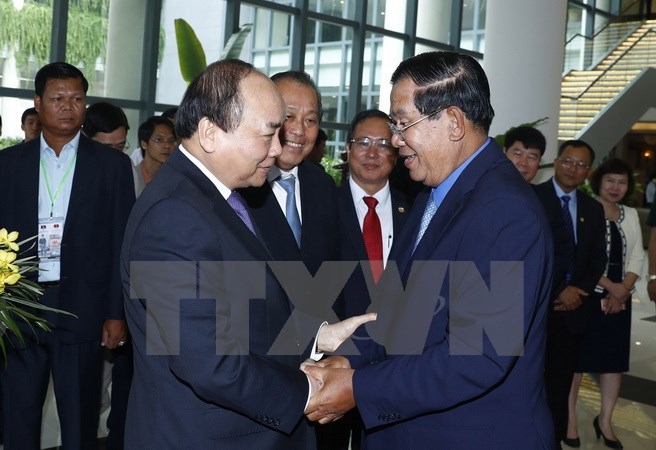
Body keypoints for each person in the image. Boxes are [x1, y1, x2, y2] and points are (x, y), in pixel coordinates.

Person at [302, 51, 555, 449]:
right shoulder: (434, 196)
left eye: (403, 124)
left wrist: (359, 388)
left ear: (453, 122)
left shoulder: (505, 212)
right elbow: (403, 312)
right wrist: (351, 358)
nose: (395, 140)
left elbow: (476, 357)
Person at [120, 59, 371, 449]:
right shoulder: (174, 215)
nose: (278, 148)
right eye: (268, 133)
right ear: (210, 133)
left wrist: (318, 337)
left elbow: (240, 313)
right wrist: (310, 394)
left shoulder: (217, 198)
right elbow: (207, 361)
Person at [0, 62, 135, 450]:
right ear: (38, 102)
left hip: (83, 309)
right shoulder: (8, 165)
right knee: (18, 418)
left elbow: (121, 244)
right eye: (57, 98)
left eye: (77, 98)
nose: (67, 107)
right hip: (21, 309)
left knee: (79, 422)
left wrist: (116, 312)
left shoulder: (112, 166)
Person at [332, 109, 412, 449]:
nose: (372, 152)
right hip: (335, 359)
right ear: (348, 149)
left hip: (394, 365)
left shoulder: (417, 211)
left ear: (395, 153)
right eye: (363, 142)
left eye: (383, 144)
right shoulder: (321, 208)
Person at [533, 139, 607, 450]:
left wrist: (579, 291)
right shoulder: (533, 198)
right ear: (556, 161)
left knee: (561, 383)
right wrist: (558, 289)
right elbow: (530, 252)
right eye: (567, 161)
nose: (572, 168)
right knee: (529, 380)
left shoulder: (593, 207)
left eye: (580, 165)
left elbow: (597, 258)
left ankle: (553, 439)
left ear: (588, 172)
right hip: (537, 309)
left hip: (575, 310)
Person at [566, 158, 642, 450]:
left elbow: (637, 256)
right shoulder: (584, 208)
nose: (615, 187)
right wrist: (609, 288)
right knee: (578, 362)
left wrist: (622, 291)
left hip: (621, 298)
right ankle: (570, 421)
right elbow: (581, 256)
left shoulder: (632, 214)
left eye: (622, 182)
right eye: (610, 180)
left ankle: (606, 421)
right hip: (588, 295)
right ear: (598, 181)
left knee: (613, 364)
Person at [242, 70, 339, 276]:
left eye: (310, 120)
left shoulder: (323, 185)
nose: (299, 130)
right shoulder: (239, 186)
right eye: (288, 116)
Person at [82, 100, 134, 450]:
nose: (117, 155)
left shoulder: (120, 171)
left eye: (122, 147)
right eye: (109, 147)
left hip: (112, 298)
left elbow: (123, 241)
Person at [134, 116, 176, 196]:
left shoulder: (175, 179)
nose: (167, 145)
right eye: (159, 140)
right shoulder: (131, 176)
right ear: (144, 144)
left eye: (171, 141)